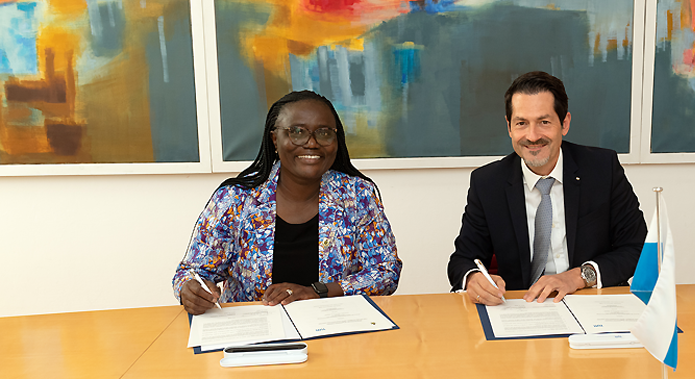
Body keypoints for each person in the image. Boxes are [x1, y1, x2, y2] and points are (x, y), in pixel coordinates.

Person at [173, 90, 402, 315]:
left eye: (323, 133)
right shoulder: (236, 199)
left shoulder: (357, 195)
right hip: (254, 335)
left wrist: (317, 291)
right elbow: (192, 272)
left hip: (336, 329)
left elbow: (386, 271)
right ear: (275, 139)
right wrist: (191, 290)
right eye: (297, 132)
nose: (312, 143)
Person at [446, 71, 647, 305]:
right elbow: (463, 260)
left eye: (544, 122)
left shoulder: (602, 169)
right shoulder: (488, 183)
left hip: (591, 301)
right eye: (521, 123)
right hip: (524, 306)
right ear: (509, 127)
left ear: (564, 123)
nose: (532, 136)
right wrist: (473, 279)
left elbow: (638, 247)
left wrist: (578, 277)